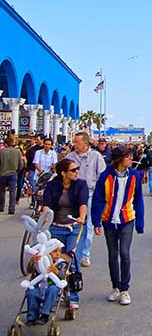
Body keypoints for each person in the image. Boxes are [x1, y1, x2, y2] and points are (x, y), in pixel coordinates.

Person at [92, 145, 145, 306]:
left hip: (127, 219)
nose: (131, 159)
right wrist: (96, 221)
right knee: (113, 254)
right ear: (119, 159)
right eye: (128, 157)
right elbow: (98, 199)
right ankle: (115, 286)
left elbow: (138, 200)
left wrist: (140, 223)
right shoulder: (105, 176)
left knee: (125, 253)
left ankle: (124, 289)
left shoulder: (135, 175)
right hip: (109, 220)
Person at [41, 158, 88, 309]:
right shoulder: (52, 186)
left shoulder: (81, 184)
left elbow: (83, 203)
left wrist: (81, 217)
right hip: (55, 226)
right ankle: (53, 293)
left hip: (74, 226)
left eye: (77, 169)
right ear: (63, 173)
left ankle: (73, 296)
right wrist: (46, 214)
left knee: (72, 260)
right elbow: (46, 205)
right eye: (73, 170)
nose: (76, 172)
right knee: (54, 260)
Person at [66, 132, 107, 268]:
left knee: (88, 225)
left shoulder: (96, 156)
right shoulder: (70, 157)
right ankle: (70, 251)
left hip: (90, 195)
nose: (74, 145)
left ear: (85, 143)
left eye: (77, 142)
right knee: (71, 223)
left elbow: (102, 176)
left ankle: (85, 254)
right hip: (72, 196)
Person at [24, 246, 69, 325]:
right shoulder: (40, 261)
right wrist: (32, 262)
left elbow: (64, 276)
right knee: (31, 293)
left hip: (53, 285)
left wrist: (57, 271)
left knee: (52, 290)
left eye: (59, 252)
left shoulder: (61, 263)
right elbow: (29, 271)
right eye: (54, 252)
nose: (58, 254)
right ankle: (32, 316)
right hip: (39, 285)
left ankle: (45, 314)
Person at [0, 135, 24, 214]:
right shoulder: (17, 151)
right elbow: (21, 164)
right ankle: (11, 208)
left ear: (5, 143)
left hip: (2, 174)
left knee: (2, 191)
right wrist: (17, 171)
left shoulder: (1, 151)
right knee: (12, 191)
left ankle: (1, 206)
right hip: (13, 173)